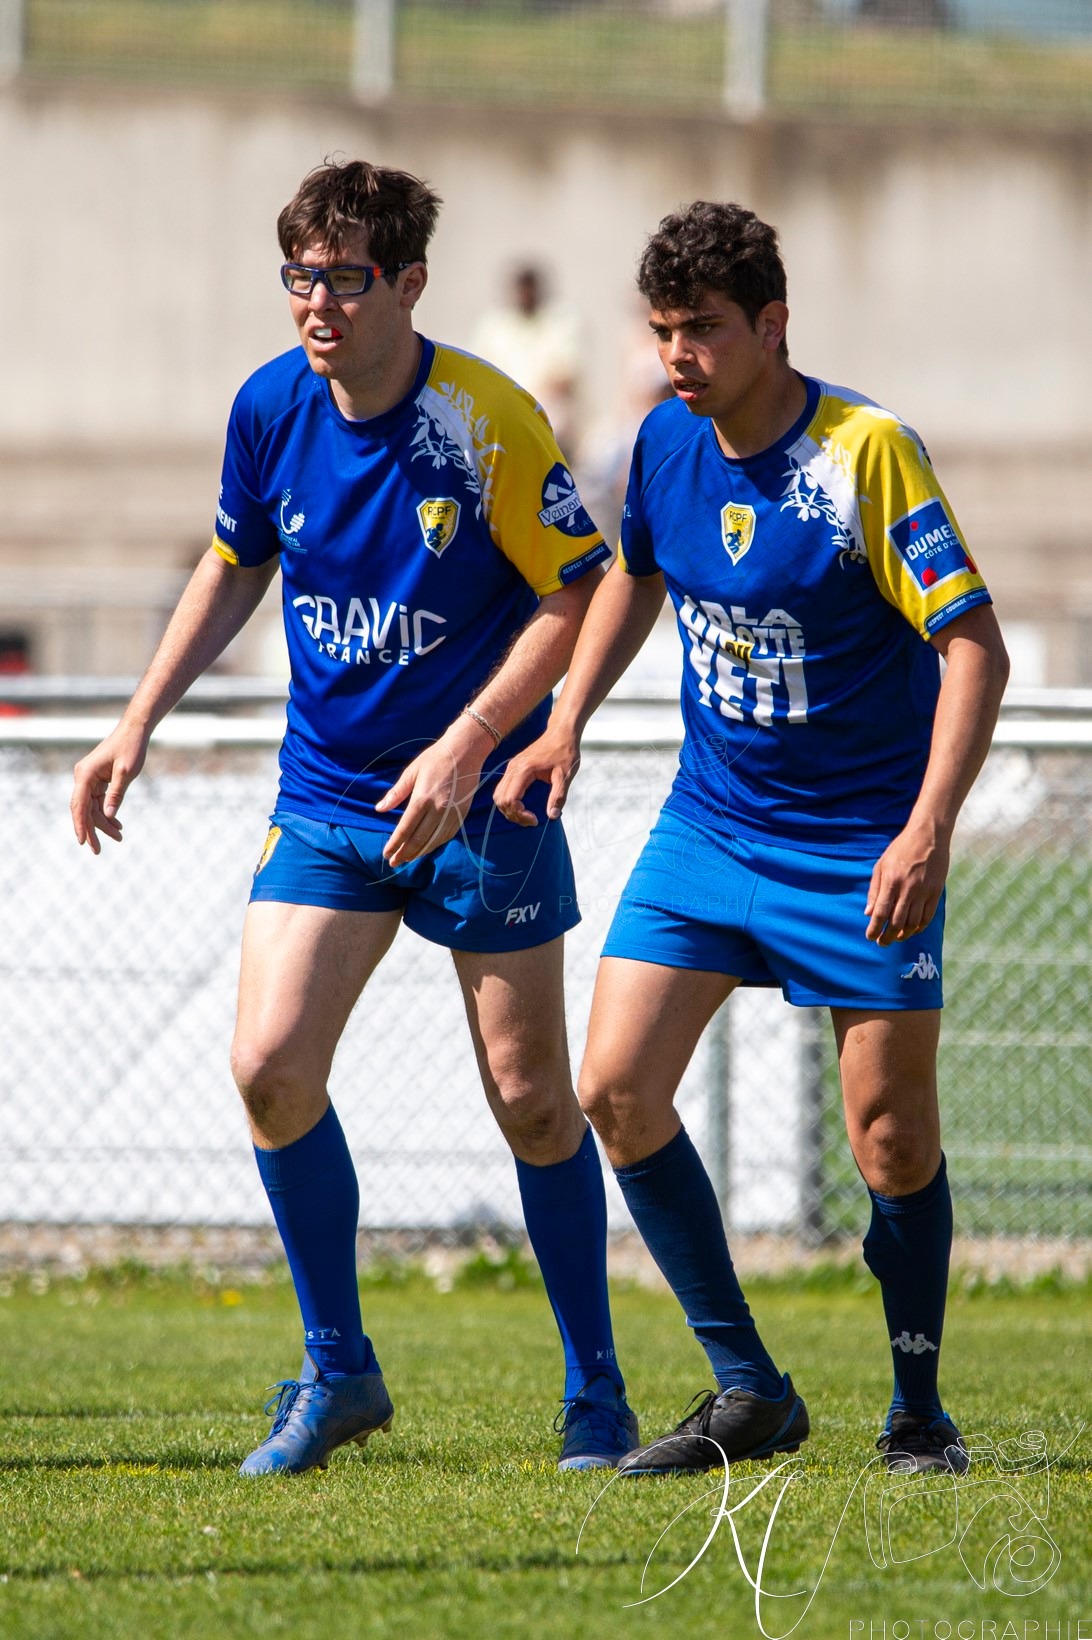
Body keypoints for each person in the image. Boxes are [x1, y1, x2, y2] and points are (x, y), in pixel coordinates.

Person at [69, 159, 638, 1477]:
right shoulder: (269, 409)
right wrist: (137, 717)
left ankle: (595, 1393)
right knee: (269, 1066)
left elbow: (574, 595)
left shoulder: (484, 419)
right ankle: (340, 1371)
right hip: (327, 796)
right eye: (300, 276)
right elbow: (234, 563)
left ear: (409, 285)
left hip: (480, 800)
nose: (317, 302)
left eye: (345, 277)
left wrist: (469, 744)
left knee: (534, 1102)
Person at [495, 200, 1010, 1477]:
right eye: (664, 329)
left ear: (773, 324)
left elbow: (972, 648)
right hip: (712, 826)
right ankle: (747, 1385)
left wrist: (927, 829)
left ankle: (918, 1409)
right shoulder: (667, 441)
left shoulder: (867, 452)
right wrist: (564, 723)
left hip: (860, 843)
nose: (680, 354)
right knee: (612, 1085)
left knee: (889, 1136)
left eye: (706, 330)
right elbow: (634, 570)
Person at [471, 265, 581, 457]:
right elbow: (477, 375)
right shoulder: (493, 325)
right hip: (501, 415)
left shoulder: (561, 321)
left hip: (546, 418)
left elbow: (564, 378)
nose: (525, 294)